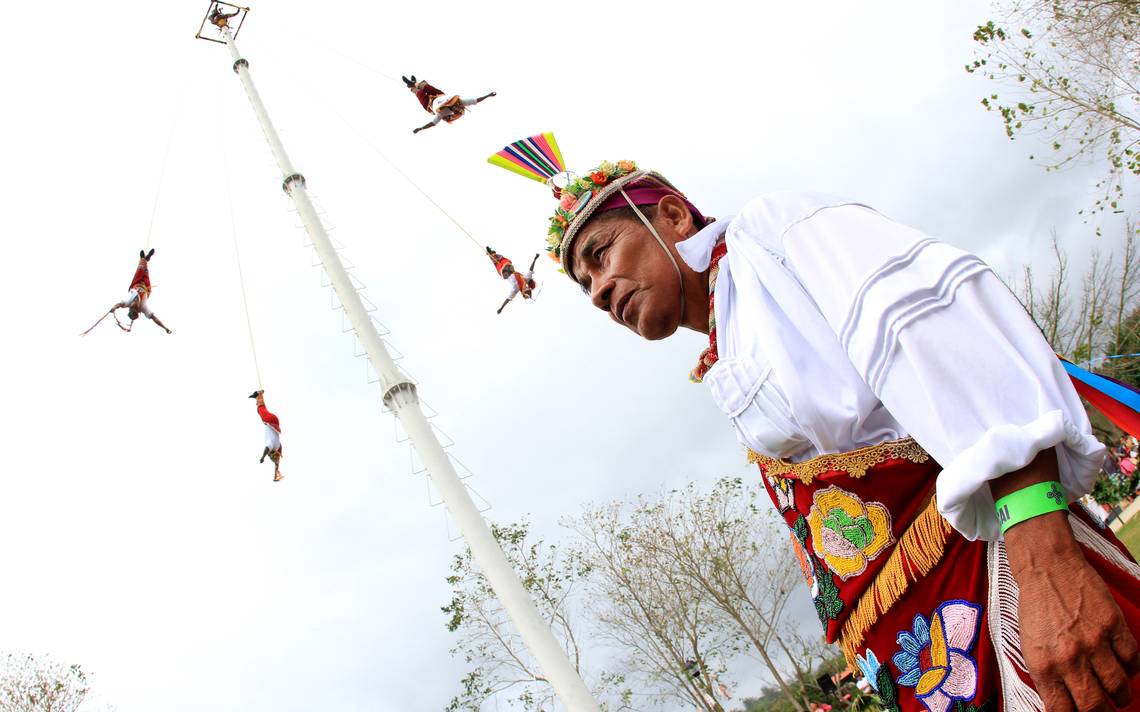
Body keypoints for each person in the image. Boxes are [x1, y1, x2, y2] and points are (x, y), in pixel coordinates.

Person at [510, 157, 1140, 712]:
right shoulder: (725, 346)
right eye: (585, 285)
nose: (598, 293)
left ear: (672, 215)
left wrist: (1046, 561)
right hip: (930, 656)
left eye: (601, 255)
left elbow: (941, 335)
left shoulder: (773, 236)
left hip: (1012, 593)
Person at [402, 75, 494, 134]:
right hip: (438, 95)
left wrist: (420, 129)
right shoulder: (461, 102)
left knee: (420, 93)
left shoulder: (443, 113)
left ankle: (411, 86)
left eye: (455, 109)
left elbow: (433, 123)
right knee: (427, 87)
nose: (455, 107)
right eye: (456, 107)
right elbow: (475, 101)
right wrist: (488, 95)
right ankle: (415, 83)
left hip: (428, 105)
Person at [109, 249, 172, 334]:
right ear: (138, 309)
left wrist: (113, 308)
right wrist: (165, 328)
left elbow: (119, 304)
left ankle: (144, 258)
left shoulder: (127, 302)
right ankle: (146, 258)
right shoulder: (143, 307)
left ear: (130, 307)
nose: (134, 303)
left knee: (141, 268)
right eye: (136, 307)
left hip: (136, 282)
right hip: (146, 286)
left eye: (132, 306)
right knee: (145, 270)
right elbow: (154, 318)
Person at [485, 247, 539, 314]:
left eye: (527, 290)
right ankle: (492, 253)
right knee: (504, 260)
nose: (527, 288)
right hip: (507, 266)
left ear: (524, 292)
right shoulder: (526, 279)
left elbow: (508, 299)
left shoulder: (515, 289)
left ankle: (490, 254)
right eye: (529, 289)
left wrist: (501, 308)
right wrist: (535, 259)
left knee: (495, 262)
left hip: (503, 272)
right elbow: (531, 270)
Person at [249, 389, 283, 482]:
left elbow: (277, 463)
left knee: (262, 411)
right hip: (270, 421)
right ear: (271, 453)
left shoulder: (278, 446)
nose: (269, 456)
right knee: (260, 411)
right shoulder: (271, 445)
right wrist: (263, 457)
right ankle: (258, 394)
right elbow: (267, 449)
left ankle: (258, 396)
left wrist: (275, 475)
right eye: (270, 456)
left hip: (275, 422)